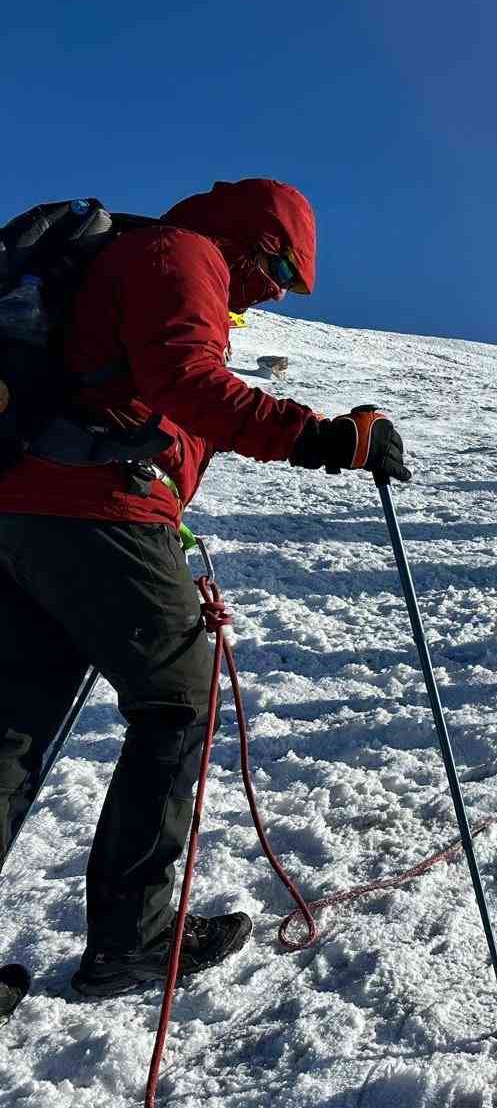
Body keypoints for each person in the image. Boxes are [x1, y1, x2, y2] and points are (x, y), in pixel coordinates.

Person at [0, 179, 411, 1001]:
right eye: (281, 274)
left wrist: (173, 540)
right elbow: (187, 382)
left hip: (33, 505)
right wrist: (327, 438)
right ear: (255, 243)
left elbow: (142, 410)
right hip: (94, 509)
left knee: (13, 725)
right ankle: (135, 939)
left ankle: (132, 934)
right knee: (179, 703)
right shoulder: (184, 254)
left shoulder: (141, 259)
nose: (274, 296)